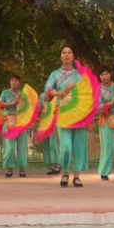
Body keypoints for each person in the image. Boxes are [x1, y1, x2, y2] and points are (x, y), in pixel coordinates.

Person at [44, 46, 87, 188]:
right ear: (60, 57)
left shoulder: (79, 75)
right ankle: (65, 172)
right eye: (64, 52)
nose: (67, 54)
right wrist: (57, 93)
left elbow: (87, 92)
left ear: (73, 57)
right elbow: (47, 91)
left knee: (79, 145)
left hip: (78, 113)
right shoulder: (54, 74)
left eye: (69, 52)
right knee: (66, 146)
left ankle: (77, 175)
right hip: (63, 112)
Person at [0, 75, 29, 178]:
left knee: (22, 146)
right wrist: (12, 103)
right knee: (9, 146)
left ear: (19, 83)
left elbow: (29, 107)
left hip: (21, 121)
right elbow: (0, 104)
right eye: (12, 80)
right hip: (9, 121)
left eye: (16, 81)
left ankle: (22, 169)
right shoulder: (5, 93)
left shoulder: (23, 94)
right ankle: (9, 168)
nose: (14, 82)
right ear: (10, 82)